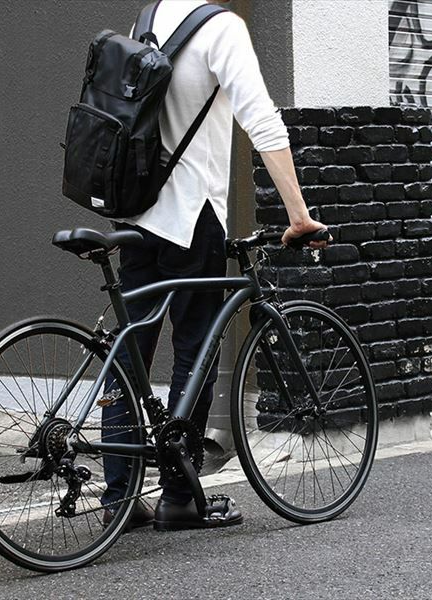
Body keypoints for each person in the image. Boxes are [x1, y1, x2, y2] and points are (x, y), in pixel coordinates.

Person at [101, 0, 330, 531]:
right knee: (195, 349)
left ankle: (118, 498)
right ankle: (179, 497)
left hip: (137, 209)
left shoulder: (147, 18)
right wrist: (299, 216)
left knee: (131, 350)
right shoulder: (221, 27)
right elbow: (262, 121)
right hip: (191, 212)